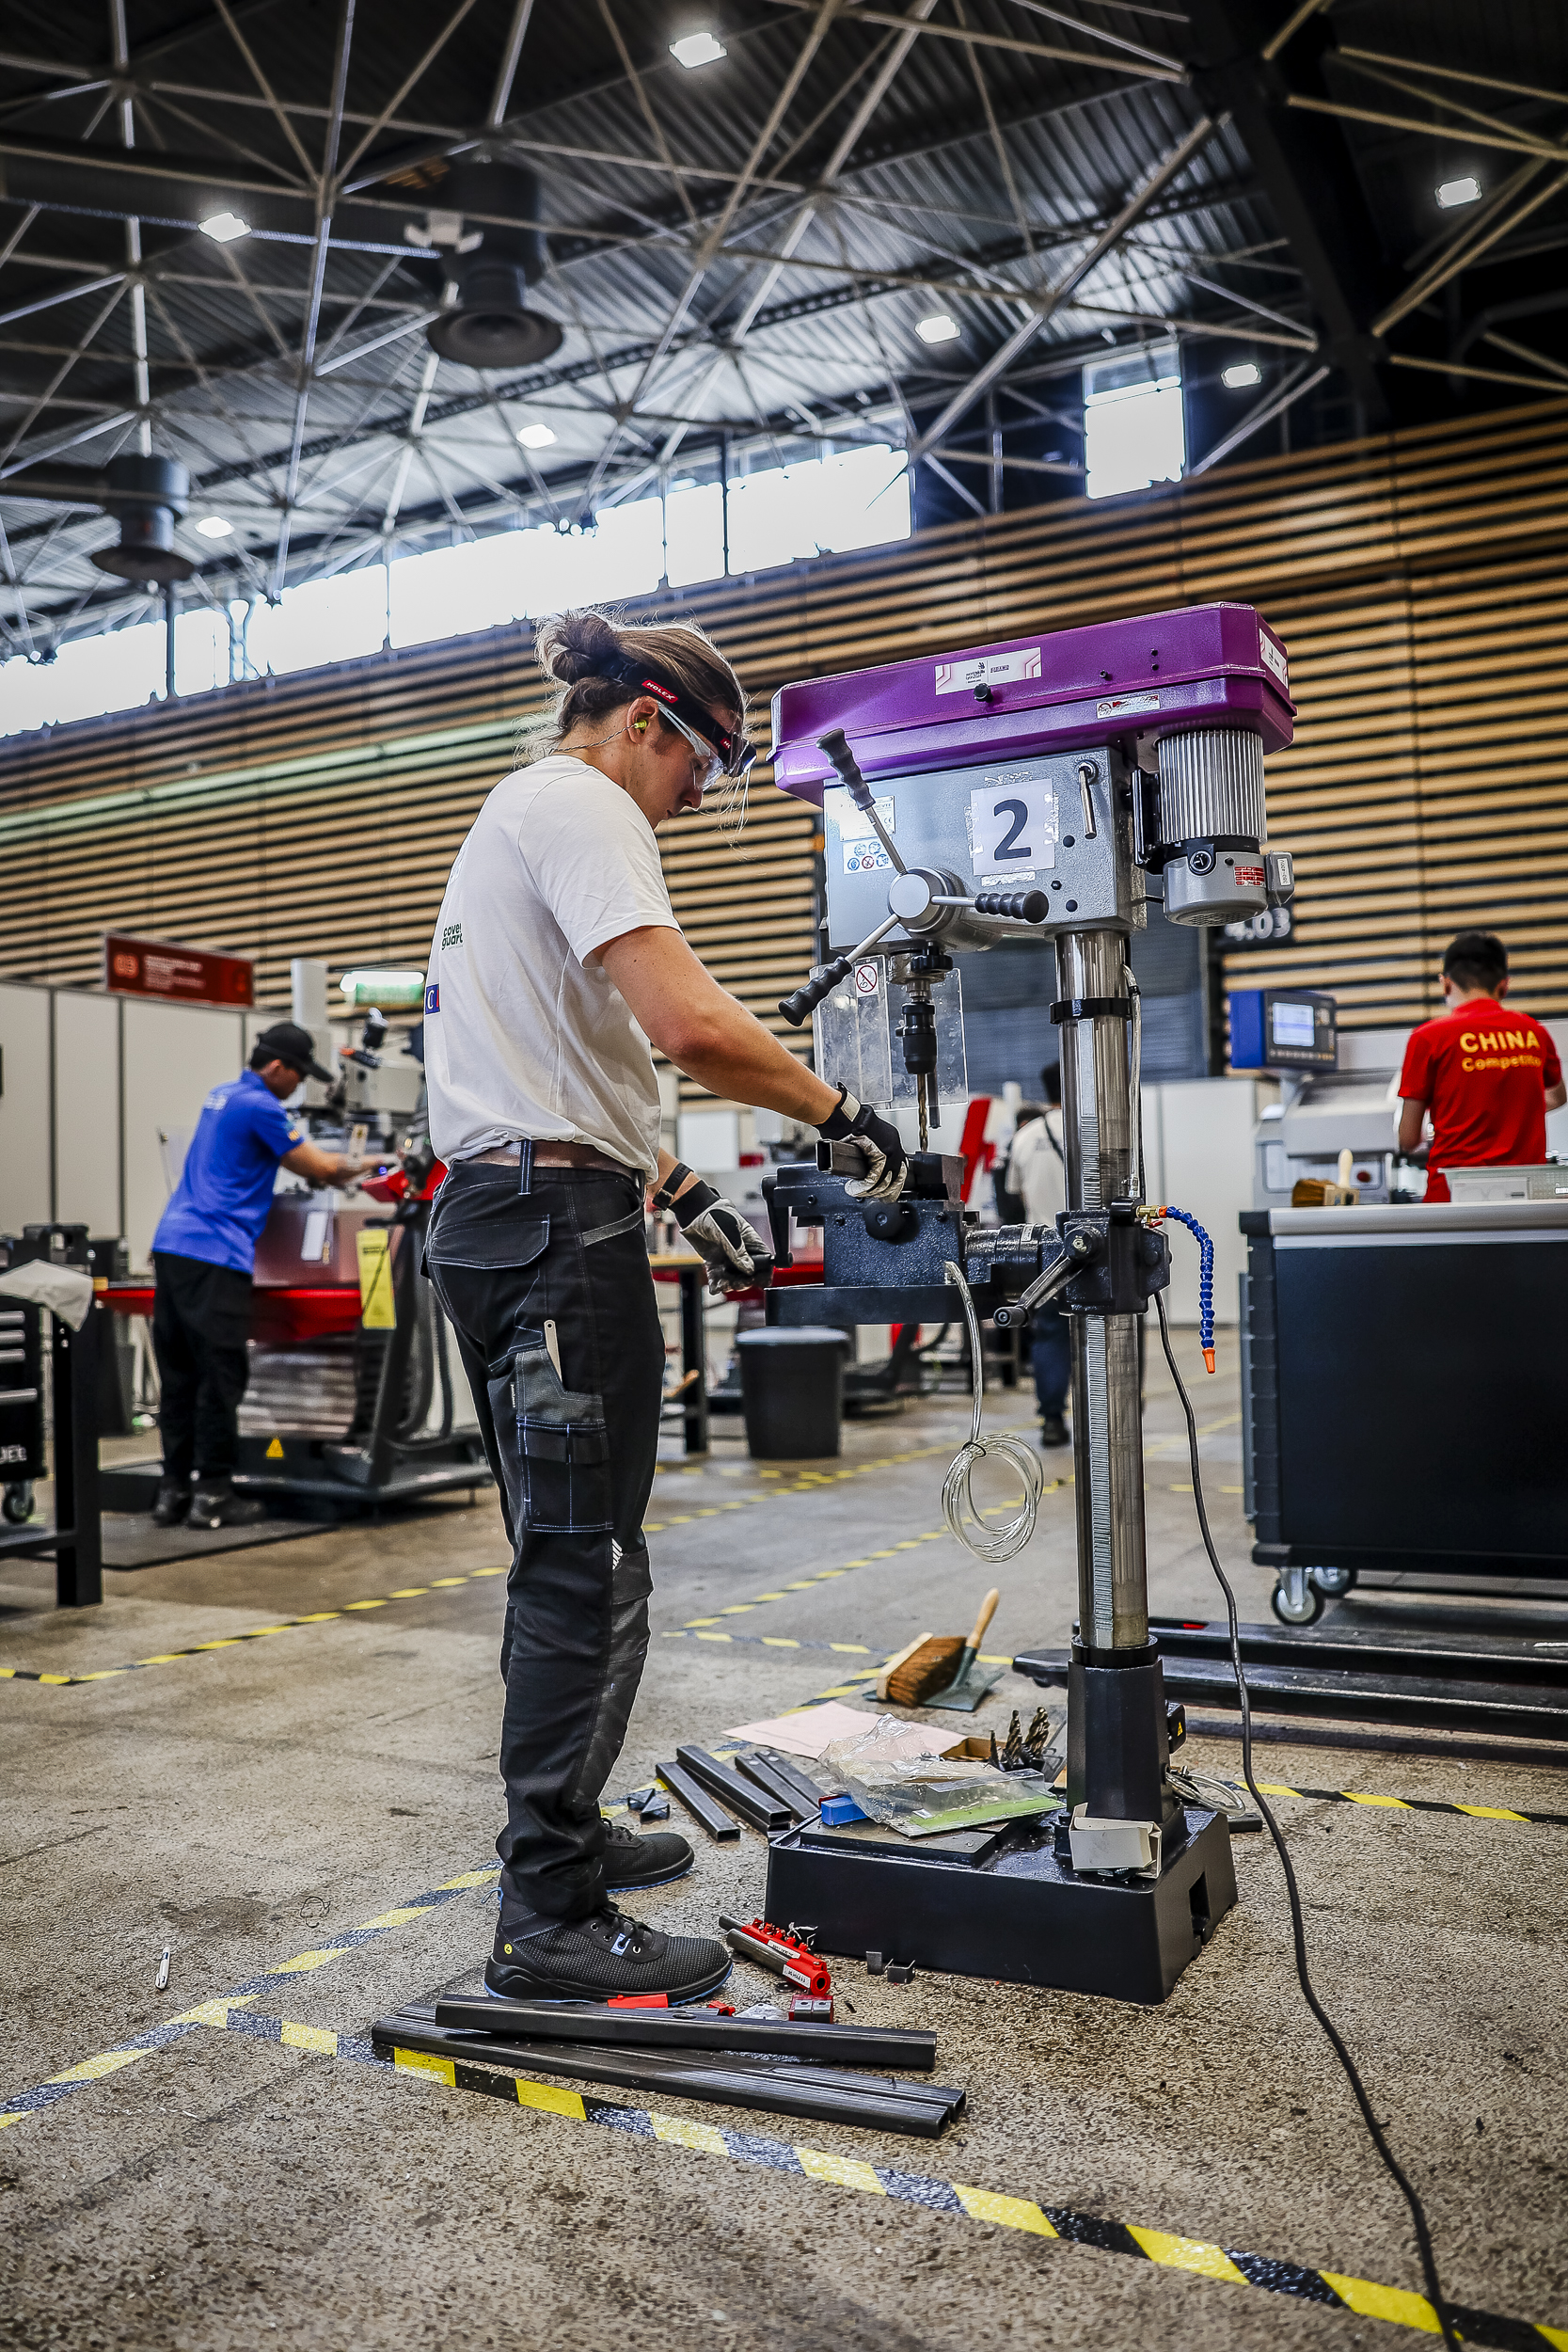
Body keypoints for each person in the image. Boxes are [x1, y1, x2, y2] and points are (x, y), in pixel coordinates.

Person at [421, 606, 909, 2004]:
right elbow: (685, 1023)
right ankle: (548, 1920)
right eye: (700, 766)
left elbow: (567, 1053)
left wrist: (675, 1187)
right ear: (643, 721)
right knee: (591, 1566)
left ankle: (562, 1836)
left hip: (520, 1209)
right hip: (549, 1231)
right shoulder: (581, 805)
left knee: (563, 1552)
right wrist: (844, 1119)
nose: (698, 799)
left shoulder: (524, 813)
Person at [150, 1023, 364, 1530]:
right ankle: (215, 1496)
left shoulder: (221, 1096)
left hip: (173, 1244)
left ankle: (173, 1492)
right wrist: (378, 1161)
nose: (299, 1086)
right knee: (220, 1377)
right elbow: (322, 1169)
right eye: (298, 1076)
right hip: (216, 1254)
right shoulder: (262, 1106)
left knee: (179, 1377)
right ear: (277, 1068)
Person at [1398, 931, 1564, 1202]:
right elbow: (1557, 1097)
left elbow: (1408, 1139)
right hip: (1527, 1201)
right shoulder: (1533, 1032)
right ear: (1504, 985)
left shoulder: (1428, 1038)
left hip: (1453, 1201)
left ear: (1445, 984)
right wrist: (1511, 1109)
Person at [1006, 1063, 1070, 1446]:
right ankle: (1107, 1420)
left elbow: (1016, 1195)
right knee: (1107, 1333)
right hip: (1096, 1248)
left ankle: (1051, 1421)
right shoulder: (1096, 1128)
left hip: (1045, 1250)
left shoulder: (1026, 1136)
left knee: (1050, 1335)